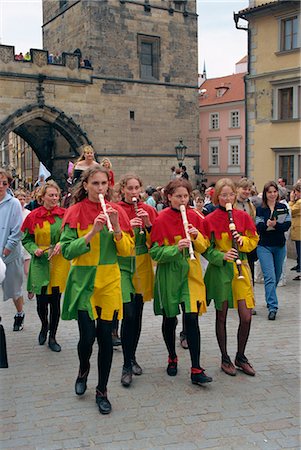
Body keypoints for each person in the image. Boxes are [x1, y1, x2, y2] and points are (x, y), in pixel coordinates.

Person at [60, 166, 134, 414]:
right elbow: (67, 250)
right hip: (83, 280)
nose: (100, 188)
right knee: (87, 337)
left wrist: (117, 230)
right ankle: (83, 369)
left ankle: (102, 390)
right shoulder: (75, 211)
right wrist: (92, 232)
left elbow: (127, 252)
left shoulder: (117, 212)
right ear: (86, 186)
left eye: (104, 184)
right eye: (95, 184)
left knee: (105, 338)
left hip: (109, 280)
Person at [150, 178, 212, 386]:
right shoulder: (161, 219)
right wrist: (174, 249)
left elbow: (205, 247)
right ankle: (172, 356)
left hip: (191, 273)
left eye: (186, 196)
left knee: (192, 317)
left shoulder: (196, 216)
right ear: (169, 197)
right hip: (169, 273)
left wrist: (196, 237)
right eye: (178, 196)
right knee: (170, 318)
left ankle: (196, 367)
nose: (183, 200)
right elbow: (155, 252)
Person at [203, 178, 259, 377]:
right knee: (222, 316)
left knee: (246, 316)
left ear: (235, 195)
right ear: (217, 197)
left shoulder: (243, 216)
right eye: (223, 195)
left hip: (241, 268)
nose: (227, 198)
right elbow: (205, 249)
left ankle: (240, 356)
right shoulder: (209, 219)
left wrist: (242, 241)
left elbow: (253, 239)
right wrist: (221, 255)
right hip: (220, 271)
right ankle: (225, 357)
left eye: (230, 194)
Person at [117, 174, 158, 387]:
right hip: (124, 263)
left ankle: (132, 357)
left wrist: (149, 224)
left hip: (142, 262)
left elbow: (157, 239)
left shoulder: (149, 209)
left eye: (136, 188)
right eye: (130, 188)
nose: (134, 192)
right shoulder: (117, 210)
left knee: (138, 314)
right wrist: (127, 227)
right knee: (128, 313)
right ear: (123, 189)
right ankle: (125, 363)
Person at [21, 181, 70, 351]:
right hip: (40, 263)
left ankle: (53, 337)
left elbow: (69, 236)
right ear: (42, 197)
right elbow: (26, 239)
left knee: (55, 303)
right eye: (51, 195)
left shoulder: (64, 215)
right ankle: (44, 325)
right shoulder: (33, 216)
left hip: (58, 263)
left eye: (56, 195)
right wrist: (34, 250)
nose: (55, 198)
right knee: (42, 304)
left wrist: (62, 244)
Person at [256, 181, 291, 320]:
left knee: (276, 276)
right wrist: (266, 224)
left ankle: (269, 295)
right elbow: (258, 226)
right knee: (269, 276)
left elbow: (287, 224)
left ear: (277, 193)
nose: (272, 194)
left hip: (279, 245)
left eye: (274, 191)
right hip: (264, 245)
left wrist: (276, 225)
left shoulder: (282, 207)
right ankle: (272, 307)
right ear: (265, 194)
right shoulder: (260, 209)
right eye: (269, 192)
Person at [0, 169, 25, 331]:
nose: (1, 186)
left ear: (9, 185)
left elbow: (17, 231)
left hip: (9, 255)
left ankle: (20, 313)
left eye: (4, 183)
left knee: (14, 289)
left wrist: (6, 250)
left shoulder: (14, 203)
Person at [15, 190, 32, 298]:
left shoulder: (29, 213)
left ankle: (31, 288)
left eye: (23, 199)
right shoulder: (11, 212)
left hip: (25, 243)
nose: (21, 201)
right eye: (19, 199)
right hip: (15, 244)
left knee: (27, 270)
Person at [288, 182, 301, 280]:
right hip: (298, 231)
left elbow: (289, 211)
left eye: (295, 192)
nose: (294, 194)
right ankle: (299, 265)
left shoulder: (299, 202)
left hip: (299, 231)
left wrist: (291, 200)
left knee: (300, 251)